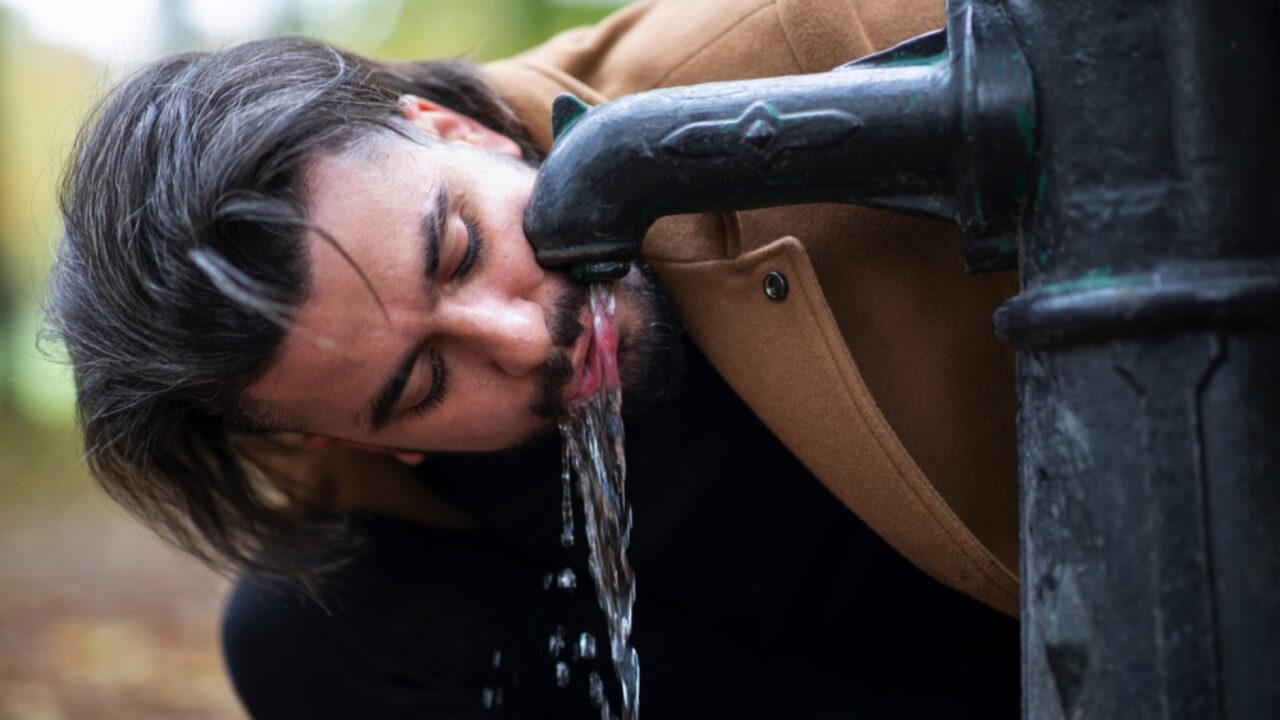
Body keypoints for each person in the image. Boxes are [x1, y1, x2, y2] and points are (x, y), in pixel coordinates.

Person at [47, 0, 1022, 716]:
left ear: (450, 126)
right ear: (339, 435)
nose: (524, 341)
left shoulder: (825, 41)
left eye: (460, 249)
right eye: (425, 383)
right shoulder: (339, 477)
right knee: (296, 633)